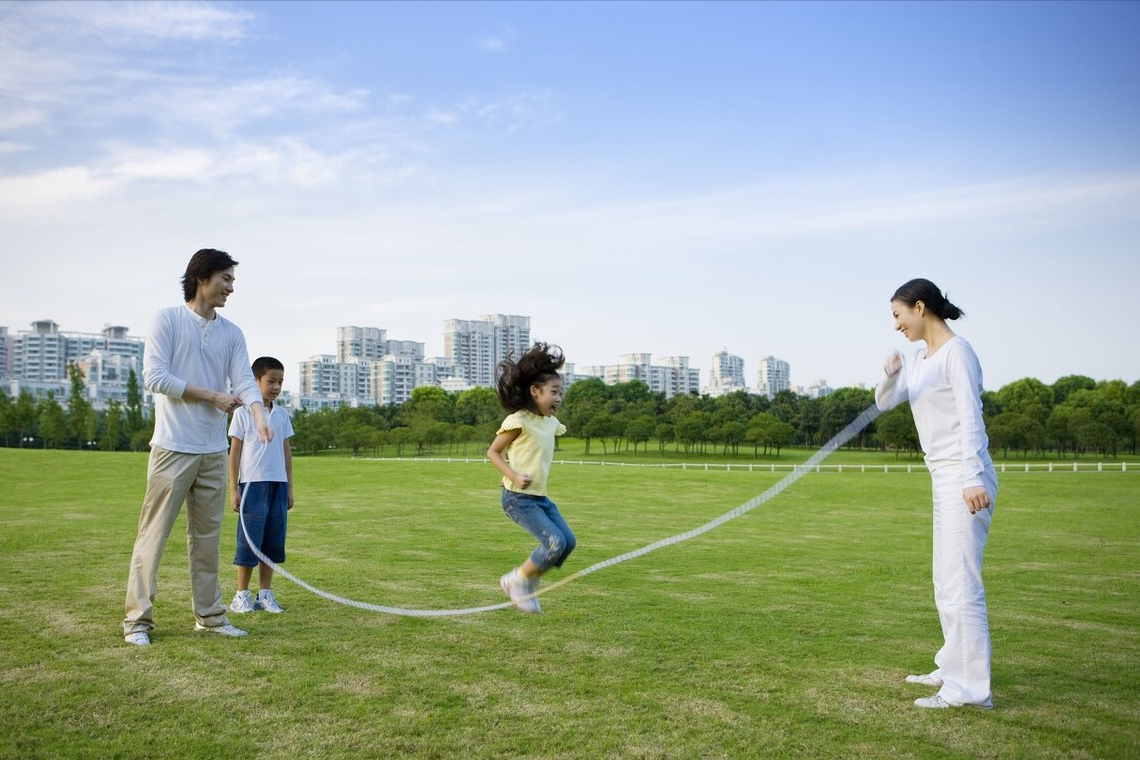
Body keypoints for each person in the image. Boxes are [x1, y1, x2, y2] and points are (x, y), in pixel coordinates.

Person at [122, 249, 273, 646]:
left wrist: (257, 414)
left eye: (233, 281)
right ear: (201, 278)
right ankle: (137, 622)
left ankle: (210, 617)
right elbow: (155, 377)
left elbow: (242, 378)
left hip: (212, 451)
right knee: (153, 537)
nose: (231, 287)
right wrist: (211, 396)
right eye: (226, 278)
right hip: (172, 447)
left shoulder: (232, 332)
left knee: (206, 541)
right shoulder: (168, 320)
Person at [875, 278, 998, 709]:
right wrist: (890, 375)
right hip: (942, 478)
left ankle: (969, 691)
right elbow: (886, 403)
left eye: (897, 315)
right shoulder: (919, 358)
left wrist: (972, 477)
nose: (896, 325)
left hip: (964, 477)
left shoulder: (957, 353)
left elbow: (970, 419)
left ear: (920, 307)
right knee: (945, 580)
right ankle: (952, 667)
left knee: (962, 584)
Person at [487, 342, 576, 613]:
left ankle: (527, 581)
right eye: (553, 392)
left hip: (540, 498)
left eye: (561, 393)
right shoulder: (519, 421)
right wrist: (513, 474)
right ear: (535, 392)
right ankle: (516, 580)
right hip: (517, 498)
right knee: (554, 542)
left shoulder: (550, 423)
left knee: (567, 542)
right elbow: (493, 453)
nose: (558, 398)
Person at [229, 356, 294, 615]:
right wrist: (234, 488)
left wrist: (289, 487)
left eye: (280, 382)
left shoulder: (282, 415)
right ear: (256, 382)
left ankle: (265, 594)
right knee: (248, 542)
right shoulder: (243, 413)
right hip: (252, 486)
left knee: (273, 541)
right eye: (271, 381)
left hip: (277, 484)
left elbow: (286, 452)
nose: (276, 386)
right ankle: (241, 595)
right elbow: (234, 453)